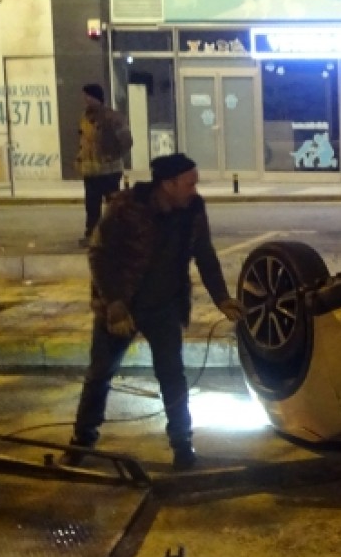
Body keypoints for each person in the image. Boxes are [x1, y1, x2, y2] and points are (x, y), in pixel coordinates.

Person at [64, 153, 242, 471]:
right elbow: (99, 254)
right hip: (121, 306)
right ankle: (81, 441)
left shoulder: (193, 209)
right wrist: (114, 304)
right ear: (168, 184)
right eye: (189, 183)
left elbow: (204, 253)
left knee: (172, 376)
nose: (194, 190)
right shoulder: (125, 206)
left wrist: (222, 298)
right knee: (99, 374)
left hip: (164, 306)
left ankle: (182, 444)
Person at [77, 83, 132, 247]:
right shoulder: (85, 117)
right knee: (91, 205)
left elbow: (126, 141)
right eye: (84, 96)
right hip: (91, 170)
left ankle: (114, 235)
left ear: (97, 97)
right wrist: (80, 159)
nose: (85, 99)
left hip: (109, 171)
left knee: (112, 206)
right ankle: (92, 234)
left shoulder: (112, 117)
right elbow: (84, 142)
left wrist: (112, 155)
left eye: (88, 96)